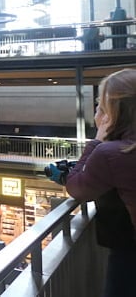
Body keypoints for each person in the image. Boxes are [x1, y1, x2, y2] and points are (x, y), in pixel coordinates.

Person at [63, 69, 136, 297]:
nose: (97, 112)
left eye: (101, 107)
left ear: (114, 111)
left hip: (129, 256)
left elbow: (76, 186)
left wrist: (96, 141)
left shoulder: (112, 153)